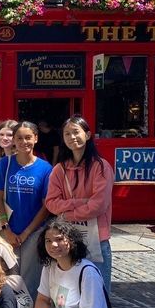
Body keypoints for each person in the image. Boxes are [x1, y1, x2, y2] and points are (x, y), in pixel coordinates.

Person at [45, 116, 114, 291]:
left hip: (96, 239)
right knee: (70, 292)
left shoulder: (101, 167)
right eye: (67, 134)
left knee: (98, 292)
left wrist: (68, 213)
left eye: (76, 132)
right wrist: (81, 202)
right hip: (67, 240)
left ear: (88, 134)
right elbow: (51, 203)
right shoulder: (59, 170)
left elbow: (98, 206)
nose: (71, 137)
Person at [0, 121, 52, 300]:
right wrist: (5, 227)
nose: (24, 142)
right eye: (19, 138)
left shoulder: (45, 168)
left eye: (28, 137)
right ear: (14, 141)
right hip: (7, 231)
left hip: (34, 233)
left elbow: (45, 206)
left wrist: (27, 233)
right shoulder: (4, 164)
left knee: (31, 280)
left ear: (36, 139)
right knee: (5, 277)